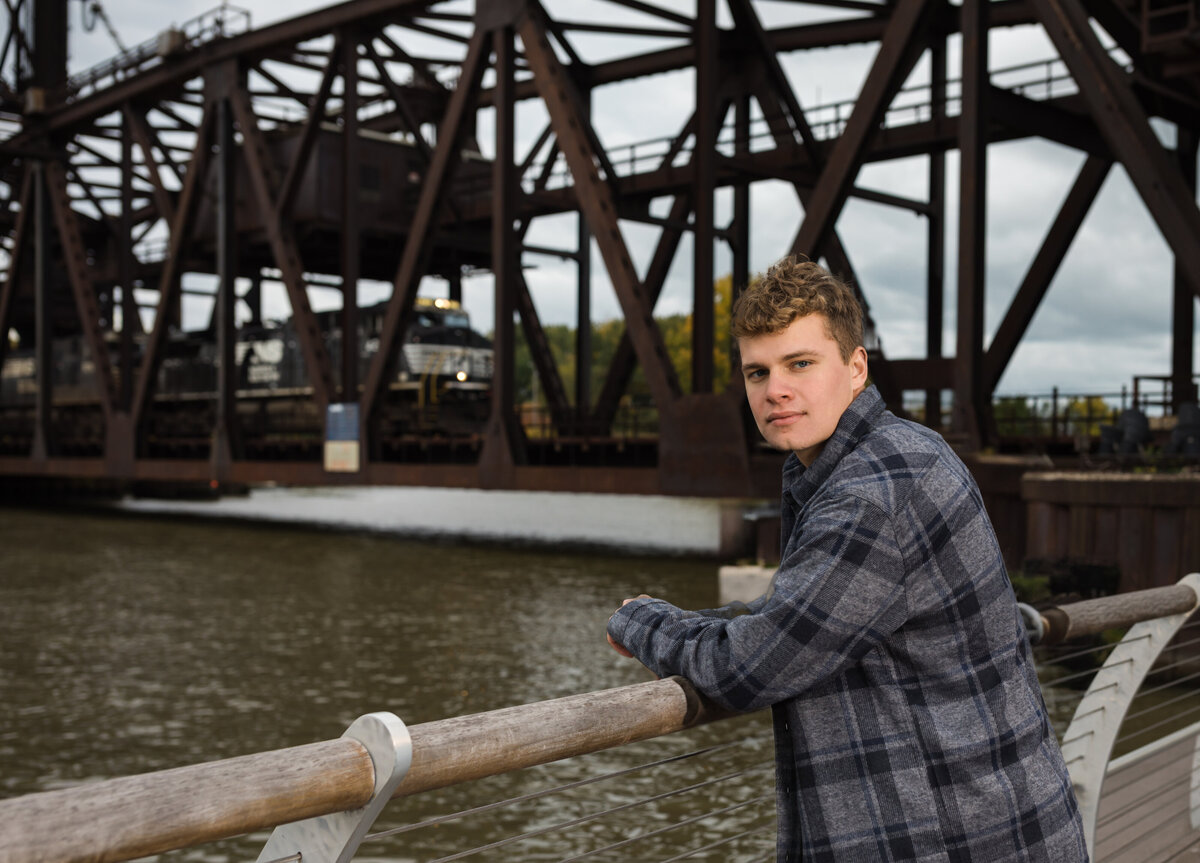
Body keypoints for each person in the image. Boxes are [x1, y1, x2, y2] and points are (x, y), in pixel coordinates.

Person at [606, 257, 1087, 862]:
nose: (775, 389)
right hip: (1006, 819)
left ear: (856, 367)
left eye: (800, 363)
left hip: (957, 837)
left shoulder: (869, 495)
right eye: (757, 372)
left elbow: (753, 667)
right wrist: (694, 618)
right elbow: (803, 616)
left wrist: (640, 621)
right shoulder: (907, 449)